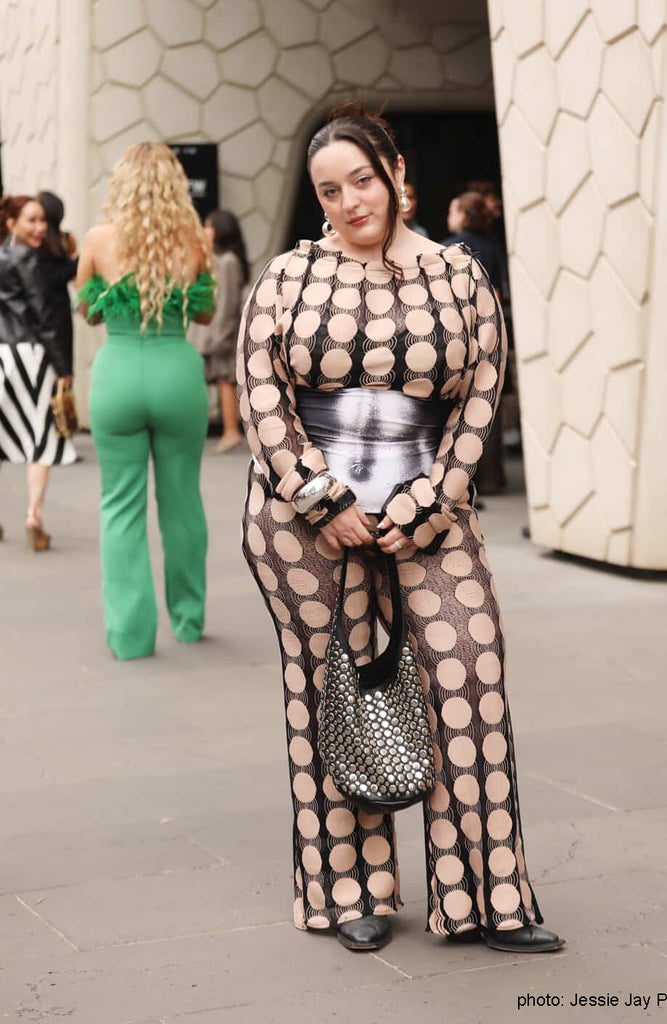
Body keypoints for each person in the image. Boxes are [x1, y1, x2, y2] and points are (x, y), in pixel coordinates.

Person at [237, 104, 563, 955]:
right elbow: (263, 394)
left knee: (469, 672)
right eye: (328, 190)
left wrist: (429, 503)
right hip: (305, 525)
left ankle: (488, 897)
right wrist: (322, 499)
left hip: (433, 513)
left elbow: (481, 397)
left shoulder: (461, 279)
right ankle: (348, 891)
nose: (348, 202)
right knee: (333, 693)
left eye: (360, 181)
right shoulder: (287, 279)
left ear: (394, 173)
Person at [77, 142, 215, 661]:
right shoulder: (194, 240)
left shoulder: (97, 239)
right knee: (182, 501)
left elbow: (88, 311)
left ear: (122, 184)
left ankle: (130, 636)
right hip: (176, 373)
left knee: (120, 507)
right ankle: (188, 618)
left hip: (117, 376)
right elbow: (204, 314)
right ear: (174, 185)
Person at [0, 194, 76, 550]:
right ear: (12, 224)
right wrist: (63, 368)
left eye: (42, 220)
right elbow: (45, 317)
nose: (40, 227)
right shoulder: (27, 258)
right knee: (40, 438)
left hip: (2, 355)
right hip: (29, 356)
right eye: (31, 220)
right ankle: (33, 515)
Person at [198, 209, 248, 453]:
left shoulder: (227, 260)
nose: (204, 231)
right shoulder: (222, 258)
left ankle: (231, 431)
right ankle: (230, 430)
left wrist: (218, 336)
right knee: (221, 379)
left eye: (208, 226)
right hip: (220, 331)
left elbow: (228, 303)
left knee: (225, 379)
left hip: (224, 332)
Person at [37, 191, 78, 385]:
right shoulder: (41, 244)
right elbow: (57, 275)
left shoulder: (63, 240)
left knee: (61, 377)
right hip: (53, 316)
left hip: (56, 315)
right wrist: (76, 263)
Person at [443, 190, 503, 294]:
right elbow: (496, 291)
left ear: (462, 215)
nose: (448, 217)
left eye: (451, 212)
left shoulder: (447, 247)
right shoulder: (491, 246)